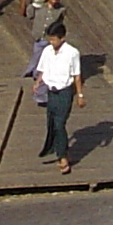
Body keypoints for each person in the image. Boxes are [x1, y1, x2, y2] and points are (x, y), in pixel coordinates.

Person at [29, 22, 83, 174]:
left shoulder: (72, 53)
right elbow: (43, 69)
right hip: (51, 92)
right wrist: (38, 82)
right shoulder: (47, 51)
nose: (52, 42)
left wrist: (80, 95)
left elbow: (77, 75)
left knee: (60, 124)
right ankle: (63, 149)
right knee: (52, 123)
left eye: (54, 39)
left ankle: (62, 157)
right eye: (50, 39)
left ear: (62, 38)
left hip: (65, 92)